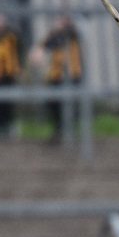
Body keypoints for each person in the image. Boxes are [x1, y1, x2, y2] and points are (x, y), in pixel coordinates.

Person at [29, 13, 83, 142]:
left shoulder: (73, 33)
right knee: (53, 104)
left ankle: (68, 131)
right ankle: (60, 130)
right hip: (56, 75)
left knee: (70, 105)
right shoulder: (54, 36)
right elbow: (39, 51)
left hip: (72, 75)